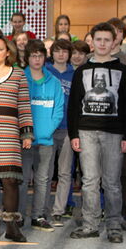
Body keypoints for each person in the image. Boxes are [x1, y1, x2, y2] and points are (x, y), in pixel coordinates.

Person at [68, 22, 126, 244]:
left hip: (115, 133)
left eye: (107, 40)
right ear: (93, 42)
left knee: (112, 182)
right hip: (86, 132)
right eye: (99, 40)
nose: (103, 44)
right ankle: (90, 224)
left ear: (114, 41)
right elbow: (73, 105)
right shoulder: (82, 71)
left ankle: (114, 225)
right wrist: (74, 134)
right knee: (89, 181)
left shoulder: (124, 72)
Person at [0, 35, 33, 243]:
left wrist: (26, 133)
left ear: (7, 52)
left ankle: (11, 226)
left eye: (0, 49)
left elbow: (24, 106)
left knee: (10, 180)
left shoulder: (18, 74)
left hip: (9, 135)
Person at [23, 40, 64, 231]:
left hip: (46, 139)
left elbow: (58, 111)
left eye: (40, 55)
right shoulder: (20, 79)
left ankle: (38, 215)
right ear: (27, 58)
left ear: (44, 57)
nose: (37, 59)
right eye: (33, 55)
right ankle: (19, 215)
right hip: (24, 140)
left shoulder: (54, 82)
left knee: (43, 180)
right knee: (22, 179)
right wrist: (26, 133)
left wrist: (46, 132)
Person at [46, 39, 77, 227]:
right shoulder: (46, 71)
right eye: (57, 51)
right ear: (53, 53)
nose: (61, 54)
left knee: (65, 172)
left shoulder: (76, 74)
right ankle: (41, 210)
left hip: (68, 128)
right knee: (47, 172)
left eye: (65, 51)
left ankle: (58, 211)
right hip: (48, 128)